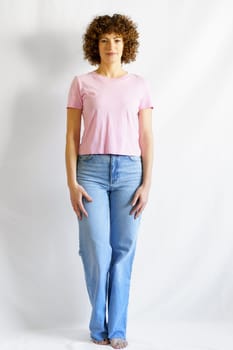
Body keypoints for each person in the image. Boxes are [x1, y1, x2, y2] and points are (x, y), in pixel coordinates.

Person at [65, 14, 154, 349]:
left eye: (117, 40)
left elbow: (146, 137)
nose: (111, 46)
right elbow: (72, 137)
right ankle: (97, 324)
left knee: (123, 251)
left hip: (131, 172)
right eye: (104, 40)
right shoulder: (81, 83)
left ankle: (116, 328)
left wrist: (147, 183)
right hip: (90, 172)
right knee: (96, 252)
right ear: (95, 45)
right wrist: (72, 183)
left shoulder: (140, 85)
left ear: (126, 44)